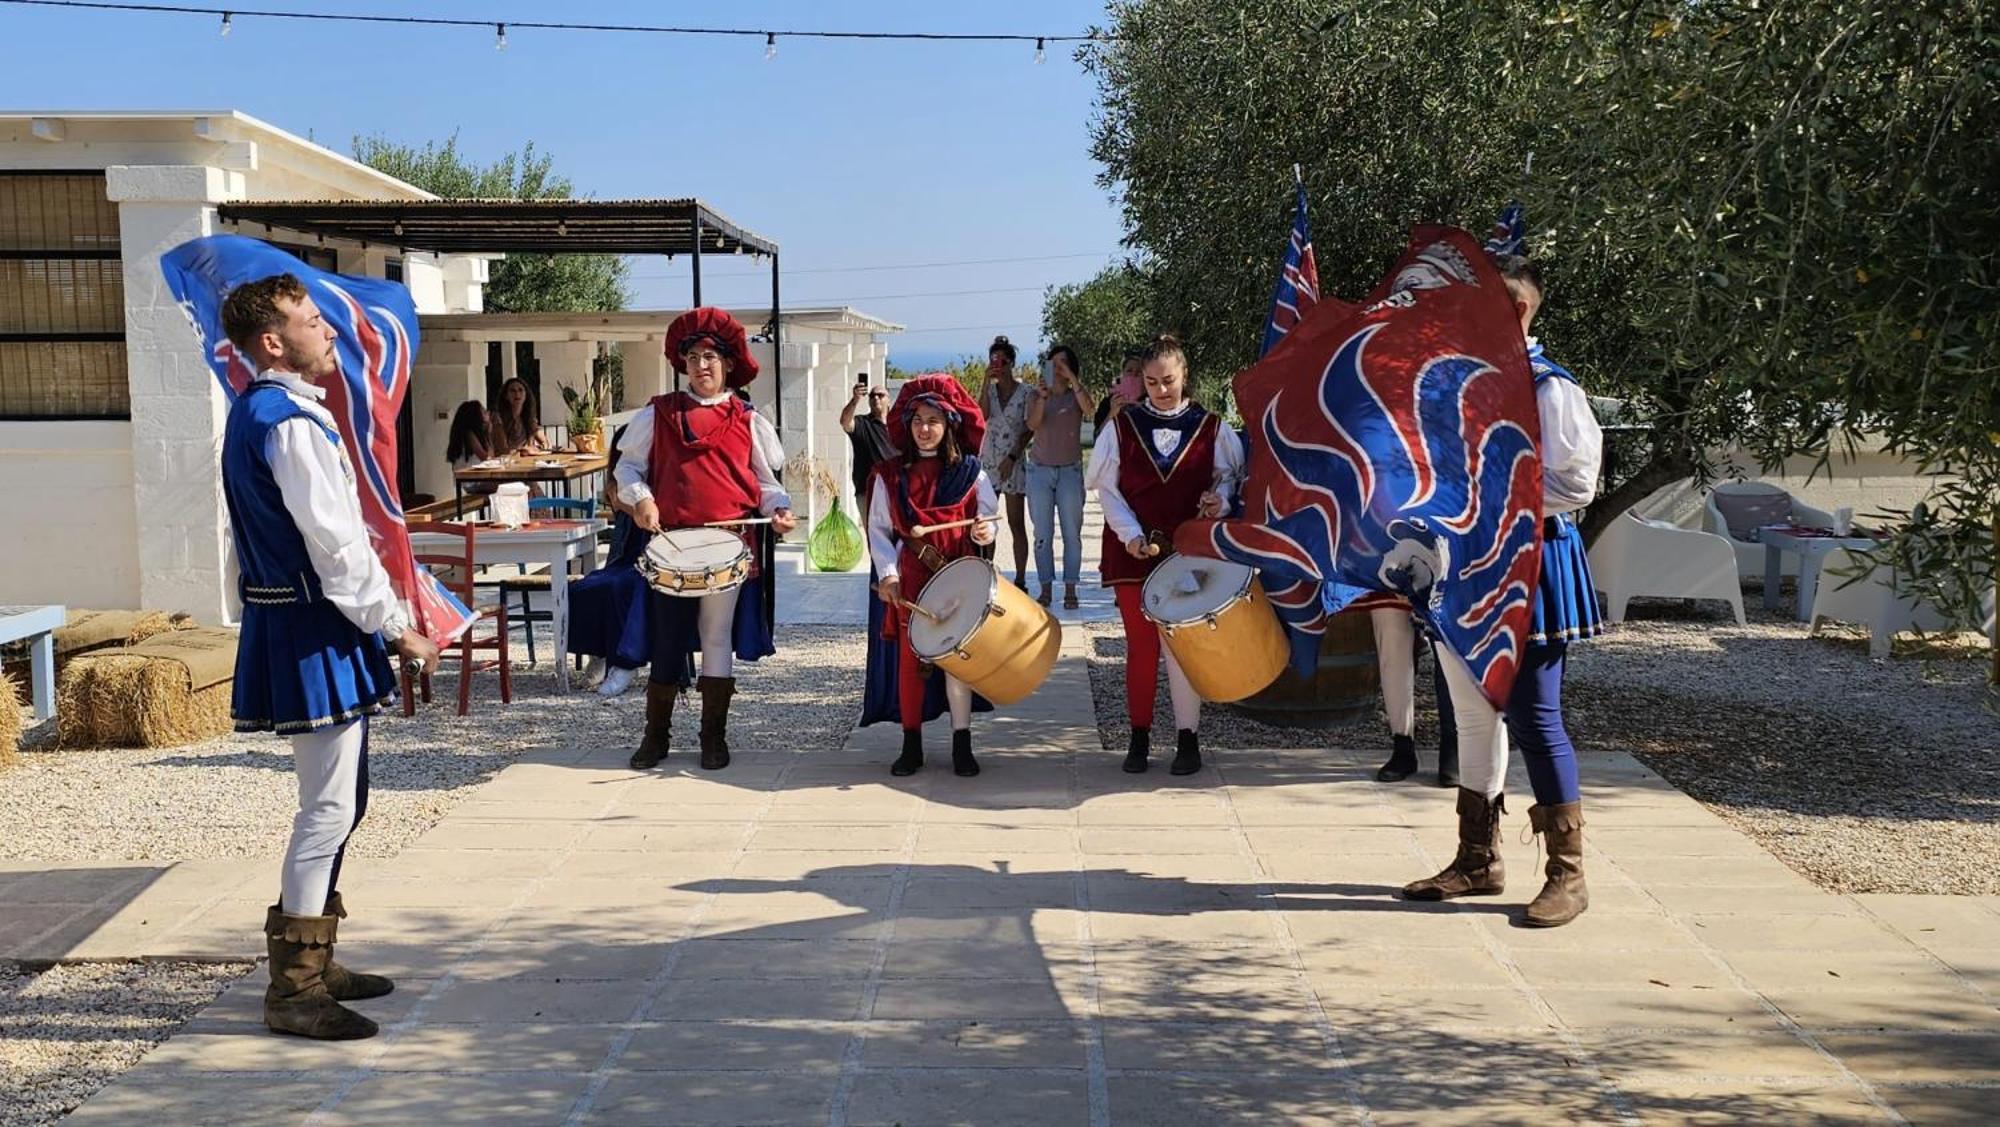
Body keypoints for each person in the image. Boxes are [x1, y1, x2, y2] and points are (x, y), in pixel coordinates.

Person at [216, 274, 440, 1041]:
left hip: (307, 620)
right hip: (315, 625)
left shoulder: (262, 412)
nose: (329, 329)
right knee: (327, 809)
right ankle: (296, 990)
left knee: (347, 800)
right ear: (273, 341)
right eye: (312, 320)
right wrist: (394, 625)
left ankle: (319, 955)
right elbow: (336, 546)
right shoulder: (286, 421)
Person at [1403, 253, 1604, 928]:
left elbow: (1577, 484)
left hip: (1530, 561)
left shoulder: (1549, 390)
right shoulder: (1468, 385)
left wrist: (1491, 492)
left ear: (1517, 309)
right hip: (1469, 563)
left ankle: (1567, 873)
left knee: (1535, 714)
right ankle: (1477, 857)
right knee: (1472, 713)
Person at [614, 307, 797, 771]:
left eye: (711, 357)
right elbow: (628, 469)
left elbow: (765, 482)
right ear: (683, 364)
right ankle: (656, 737)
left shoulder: (747, 419)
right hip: (671, 546)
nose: (702, 366)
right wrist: (641, 500)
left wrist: (778, 509)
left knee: (716, 636)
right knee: (668, 639)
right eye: (693, 357)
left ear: (729, 363)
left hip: (729, 544)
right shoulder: (659, 413)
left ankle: (712, 739)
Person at [1086, 333, 1244, 775]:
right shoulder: (1121, 426)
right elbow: (1107, 489)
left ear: (1184, 376)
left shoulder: (1212, 426)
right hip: (1132, 552)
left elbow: (1226, 479)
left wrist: (1221, 501)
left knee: (1182, 645)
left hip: (1188, 552)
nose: (1160, 390)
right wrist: (1131, 535)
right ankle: (1138, 739)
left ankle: (1187, 740)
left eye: (1168, 381)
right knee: (1141, 647)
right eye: (1152, 382)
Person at [863, 374, 998, 777]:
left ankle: (962, 743)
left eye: (933, 420)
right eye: (918, 420)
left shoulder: (972, 474)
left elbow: (989, 519)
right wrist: (887, 575)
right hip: (912, 581)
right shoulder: (890, 475)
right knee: (912, 662)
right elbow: (879, 531)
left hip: (959, 578)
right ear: (907, 424)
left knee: (958, 660)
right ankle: (911, 744)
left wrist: (984, 532)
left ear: (950, 424)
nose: (924, 429)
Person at [570, 423, 650, 698]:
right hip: (623, 559)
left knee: (617, 589)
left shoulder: (649, 481)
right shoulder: (617, 484)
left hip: (647, 561)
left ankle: (624, 662)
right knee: (584, 588)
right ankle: (600, 653)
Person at [1025, 344, 1095, 609]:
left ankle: (1070, 588)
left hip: (1070, 470)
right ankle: (1045, 587)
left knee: (1071, 533)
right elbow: (1032, 425)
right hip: (1040, 470)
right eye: (1052, 364)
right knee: (1042, 532)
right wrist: (1042, 397)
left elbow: (1089, 409)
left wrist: (1073, 380)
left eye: (1062, 364)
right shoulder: (1036, 395)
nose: (1057, 368)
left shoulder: (1075, 395)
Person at [976, 335, 1032, 586]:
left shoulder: (1026, 392)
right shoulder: (990, 391)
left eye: (1002, 361)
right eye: (994, 360)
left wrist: (1013, 456)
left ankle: (1020, 578)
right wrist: (986, 380)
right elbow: (982, 416)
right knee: (986, 520)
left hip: (1014, 460)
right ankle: (987, 573)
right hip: (988, 461)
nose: (998, 365)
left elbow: (1029, 427)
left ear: (1011, 363)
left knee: (1016, 522)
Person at [840, 374, 895, 526]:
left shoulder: (898, 425)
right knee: (875, 537)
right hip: (867, 491)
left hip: (895, 490)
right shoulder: (862, 423)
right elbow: (845, 422)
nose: (876, 398)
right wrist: (855, 400)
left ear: (889, 400)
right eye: (872, 396)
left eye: (880, 395)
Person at [490, 376, 549, 456]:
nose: (517, 394)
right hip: (503, 464)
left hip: (525, 462)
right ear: (506, 396)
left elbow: (545, 442)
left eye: (520, 390)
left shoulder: (529, 417)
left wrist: (542, 446)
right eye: (512, 391)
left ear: (526, 394)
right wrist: (525, 450)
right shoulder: (498, 418)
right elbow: (503, 451)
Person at [1092, 349, 1144, 433]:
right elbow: (1098, 437)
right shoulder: (1108, 402)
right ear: (1122, 374)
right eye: (1129, 371)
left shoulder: (1152, 401)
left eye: (1139, 372)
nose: (1134, 375)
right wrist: (1111, 413)